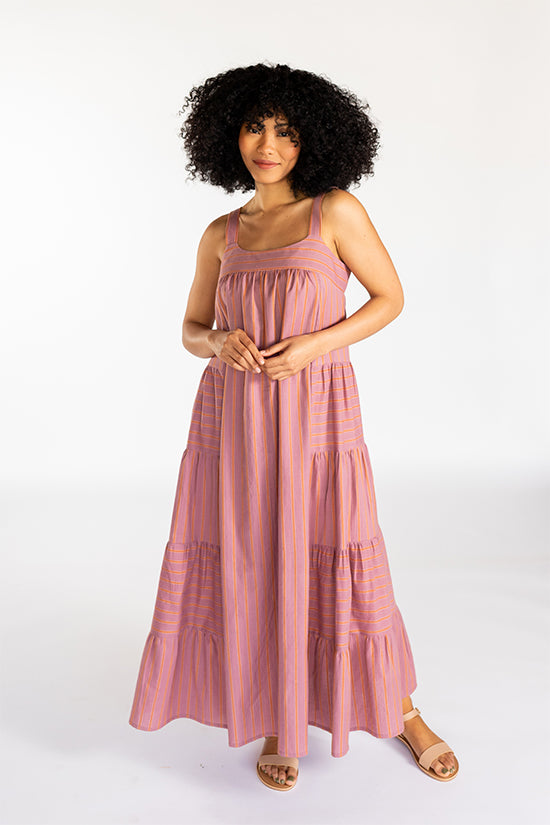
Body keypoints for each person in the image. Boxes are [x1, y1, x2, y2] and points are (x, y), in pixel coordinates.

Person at [128, 62, 459, 791]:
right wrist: (218, 340)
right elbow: (190, 328)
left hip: (318, 417)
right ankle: (279, 711)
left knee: (339, 547)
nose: (268, 144)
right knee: (255, 558)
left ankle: (402, 709)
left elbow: (389, 297)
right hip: (235, 421)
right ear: (229, 135)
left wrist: (315, 344)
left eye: (285, 129)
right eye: (254, 127)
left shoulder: (333, 212)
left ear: (314, 139)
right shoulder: (222, 233)